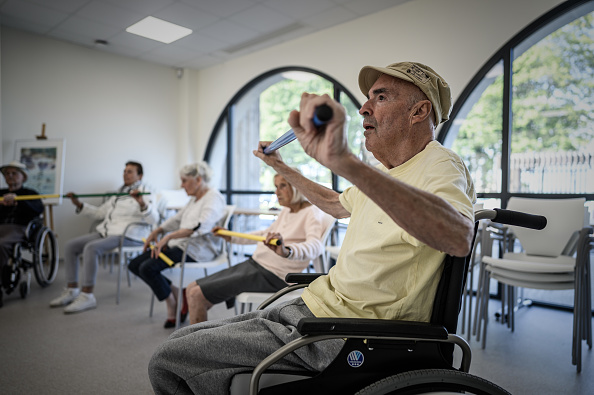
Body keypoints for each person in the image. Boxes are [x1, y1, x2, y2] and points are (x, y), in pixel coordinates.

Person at [148, 61, 476, 394]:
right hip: (315, 309)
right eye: (368, 98)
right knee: (184, 340)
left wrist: (346, 163)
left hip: (349, 334)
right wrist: (282, 167)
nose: (364, 108)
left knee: (167, 359)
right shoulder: (387, 172)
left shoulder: (439, 163)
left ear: (418, 112)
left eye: (380, 97)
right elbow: (335, 204)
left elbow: (459, 236)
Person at [187, 173, 331, 324]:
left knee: (196, 295)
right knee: (192, 288)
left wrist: (286, 250)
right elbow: (264, 234)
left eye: (282, 186)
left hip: (273, 275)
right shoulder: (287, 210)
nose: (277, 192)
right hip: (256, 265)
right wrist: (232, 237)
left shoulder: (311, 212)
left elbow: (316, 246)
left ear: (296, 186)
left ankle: (195, 344)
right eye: (276, 186)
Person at [49, 161, 158, 314]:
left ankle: (87, 295)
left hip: (127, 234)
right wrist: (79, 204)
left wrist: (141, 203)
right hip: (107, 231)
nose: (125, 174)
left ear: (139, 175)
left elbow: (153, 219)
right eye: (124, 171)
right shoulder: (118, 193)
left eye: (130, 172)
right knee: (70, 246)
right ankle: (72, 290)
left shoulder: (147, 192)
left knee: (91, 248)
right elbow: (99, 213)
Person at [128, 162, 225, 329]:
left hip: (198, 250)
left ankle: (171, 304)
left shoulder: (213, 198)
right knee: (135, 264)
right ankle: (178, 293)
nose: (181, 185)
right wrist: (159, 230)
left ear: (198, 180)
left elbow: (201, 226)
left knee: (148, 268)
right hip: (181, 245)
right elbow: (178, 219)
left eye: (184, 181)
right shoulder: (195, 198)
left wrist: (169, 236)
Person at [0, 161, 44, 297]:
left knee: (1, 245)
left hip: (18, 228)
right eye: (7, 173)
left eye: (14, 173)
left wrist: (18, 200)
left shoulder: (30, 193)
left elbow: (37, 210)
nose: (10, 176)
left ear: (23, 177)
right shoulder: (0, 193)